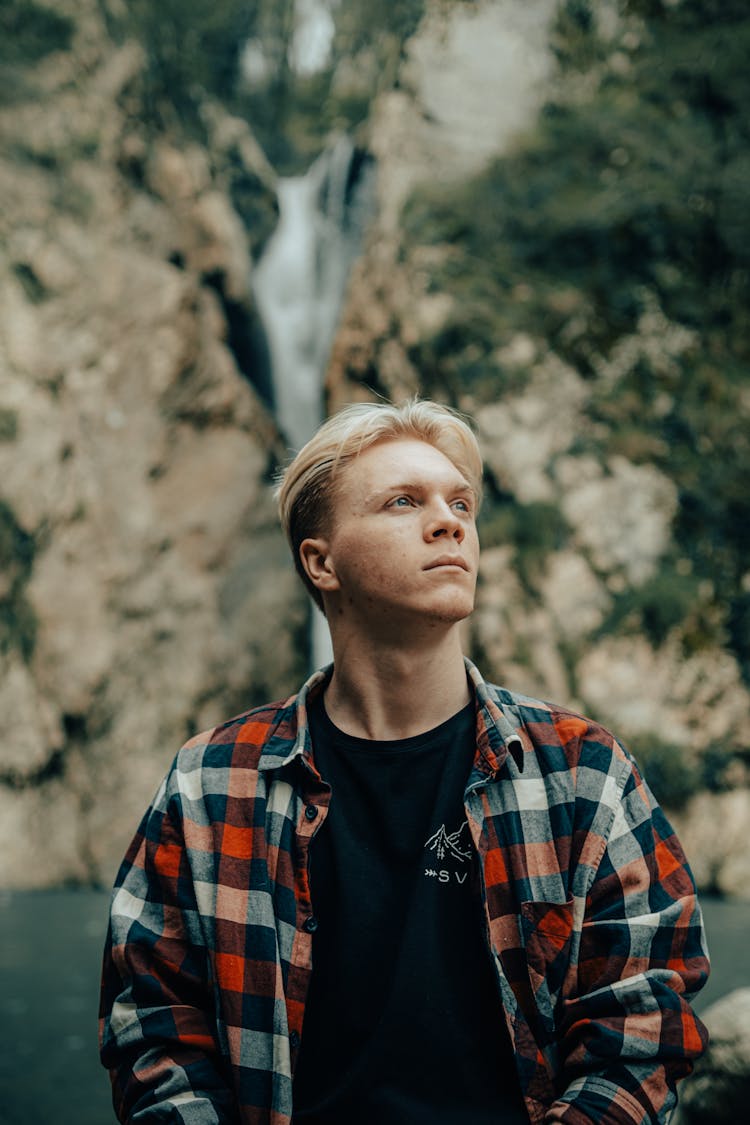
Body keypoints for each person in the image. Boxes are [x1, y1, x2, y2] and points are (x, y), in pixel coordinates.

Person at [100, 399, 709, 1124]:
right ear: (320, 561)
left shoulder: (583, 772)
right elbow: (155, 1026)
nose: (450, 520)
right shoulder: (210, 784)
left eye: (461, 503)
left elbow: (642, 1033)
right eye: (402, 501)